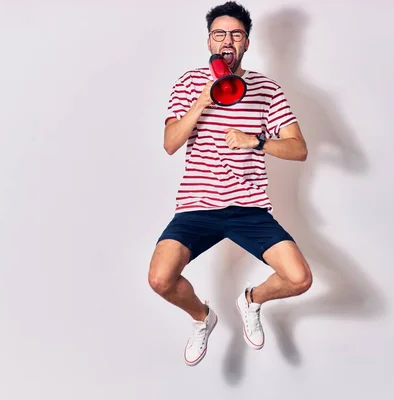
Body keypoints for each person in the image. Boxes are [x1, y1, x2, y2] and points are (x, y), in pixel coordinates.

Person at [148, 1, 313, 366]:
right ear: (209, 42)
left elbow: (299, 149)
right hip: (198, 206)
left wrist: (255, 141)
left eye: (236, 34)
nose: (227, 40)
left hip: (248, 207)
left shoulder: (267, 90)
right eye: (219, 34)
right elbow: (170, 143)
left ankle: (251, 300)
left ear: (247, 43)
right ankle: (202, 318)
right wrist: (203, 100)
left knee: (300, 279)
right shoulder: (188, 82)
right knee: (160, 279)